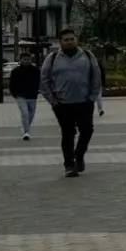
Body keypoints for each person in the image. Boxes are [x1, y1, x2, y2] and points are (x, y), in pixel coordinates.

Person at [40, 27, 102, 178]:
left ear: (76, 40)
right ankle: (69, 164)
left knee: (87, 130)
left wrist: (92, 98)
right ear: (60, 42)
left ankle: (79, 155)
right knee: (67, 134)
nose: (69, 42)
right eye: (65, 40)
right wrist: (53, 101)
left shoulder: (87, 56)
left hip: (84, 102)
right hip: (62, 104)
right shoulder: (53, 58)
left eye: (71, 39)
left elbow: (96, 77)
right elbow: (44, 80)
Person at [10, 52, 41, 140]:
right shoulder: (15, 71)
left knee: (31, 114)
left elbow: (39, 81)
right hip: (20, 95)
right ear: (20, 60)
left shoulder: (35, 70)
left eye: (28, 59)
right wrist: (14, 94)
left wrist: (37, 90)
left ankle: (25, 127)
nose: (26, 61)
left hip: (32, 95)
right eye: (24, 59)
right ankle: (26, 132)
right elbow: (12, 83)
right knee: (24, 113)